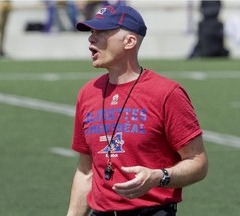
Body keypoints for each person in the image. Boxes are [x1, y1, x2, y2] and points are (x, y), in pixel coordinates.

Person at [67, 5, 208, 216]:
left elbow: (198, 162)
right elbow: (85, 171)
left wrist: (159, 176)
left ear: (129, 41)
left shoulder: (166, 93)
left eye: (101, 32)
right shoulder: (88, 93)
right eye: (91, 32)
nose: (91, 39)